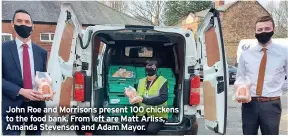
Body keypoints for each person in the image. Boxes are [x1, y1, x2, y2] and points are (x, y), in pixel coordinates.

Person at [2, 9, 53, 135]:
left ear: (32, 26)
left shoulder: (41, 52)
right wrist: (20, 91)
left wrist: (47, 91)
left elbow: (42, 78)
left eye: (27, 22)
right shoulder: (3, 49)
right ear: (12, 24)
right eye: (19, 21)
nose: (23, 24)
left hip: (36, 106)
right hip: (12, 105)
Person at [236, 15, 288, 135]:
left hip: (271, 104)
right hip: (249, 105)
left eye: (267, 29)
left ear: (273, 30)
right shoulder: (246, 54)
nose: (263, 32)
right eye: (259, 30)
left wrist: (278, 88)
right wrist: (241, 91)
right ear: (255, 31)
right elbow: (240, 77)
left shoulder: (284, 53)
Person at [130, 60, 168, 135]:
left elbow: (163, 98)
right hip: (142, 113)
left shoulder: (162, 81)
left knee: (151, 130)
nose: (149, 71)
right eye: (148, 67)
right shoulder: (141, 81)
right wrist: (131, 97)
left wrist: (144, 100)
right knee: (139, 129)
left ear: (156, 69)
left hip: (158, 114)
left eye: (152, 68)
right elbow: (137, 99)